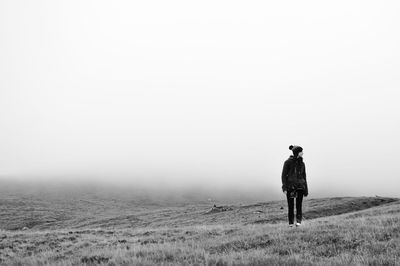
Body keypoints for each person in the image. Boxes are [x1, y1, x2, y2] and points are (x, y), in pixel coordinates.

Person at [281, 145, 308, 227]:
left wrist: (306, 189)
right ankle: (291, 223)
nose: (303, 153)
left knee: (299, 205)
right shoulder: (287, 162)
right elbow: (283, 175)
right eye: (301, 151)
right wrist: (284, 187)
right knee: (291, 206)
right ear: (297, 153)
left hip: (300, 187)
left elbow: (304, 176)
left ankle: (298, 222)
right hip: (291, 187)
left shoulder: (302, 163)